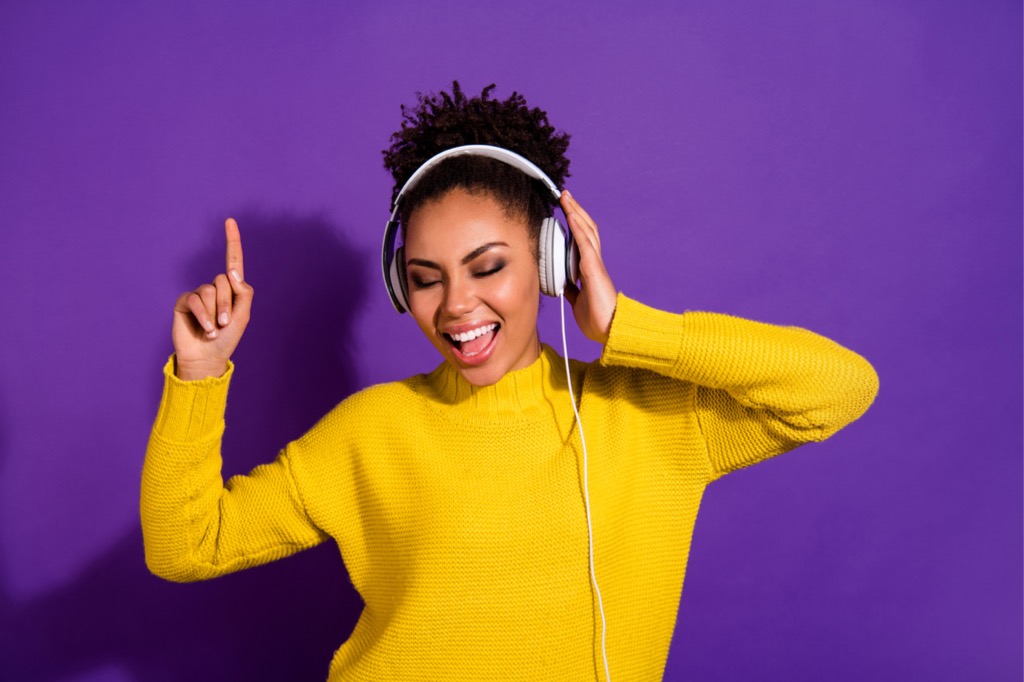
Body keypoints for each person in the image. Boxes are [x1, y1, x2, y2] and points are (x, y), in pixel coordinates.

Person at [141, 82, 878, 681]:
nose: (456, 306)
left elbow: (839, 386)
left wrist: (627, 326)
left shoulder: (647, 418)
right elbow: (185, 546)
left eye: (487, 267)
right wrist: (200, 374)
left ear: (554, 264)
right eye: (426, 280)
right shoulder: (370, 431)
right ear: (402, 286)